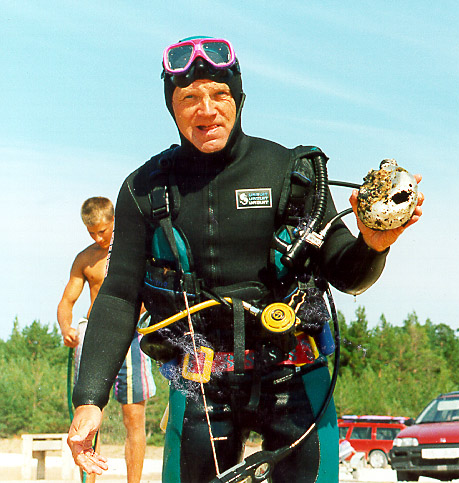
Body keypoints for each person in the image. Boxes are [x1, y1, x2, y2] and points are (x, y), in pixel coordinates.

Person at [67, 36, 424, 483]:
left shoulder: (291, 172)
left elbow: (347, 276)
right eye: (189, 98)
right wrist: (89, 399)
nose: (207, 110)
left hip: (296, 374)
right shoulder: (144, 190)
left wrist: (373, 243)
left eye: (220, 94)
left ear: (239, 99)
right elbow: (119, 295)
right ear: (171, 108)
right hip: (200, 381)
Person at [58, 197, 156, 483]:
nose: (98, 238)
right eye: (91, 233)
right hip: (94, 336)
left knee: (133, 418)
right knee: (87, 419)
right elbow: (67, 301)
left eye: (102, 231)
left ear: (115, 221)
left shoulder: (136, 253)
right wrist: (66, 328)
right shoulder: (85, 259)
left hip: (133, 336)